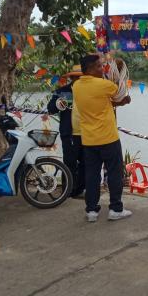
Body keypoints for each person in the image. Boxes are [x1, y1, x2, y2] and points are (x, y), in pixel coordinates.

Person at [73, 54, 132, 222]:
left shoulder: (76, 86)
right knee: (114, 173)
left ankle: (91, 211)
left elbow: (102, 102)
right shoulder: (104, 85)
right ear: (91, 69)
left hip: (89, 140)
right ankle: (115, 209)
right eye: (99, 67)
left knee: (91, 175)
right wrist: (125, 101)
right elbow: (120, 97)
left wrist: (115, 102)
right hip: (108, 138)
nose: (102, 69)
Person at [47, 65, 85, 198]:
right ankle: (67, 192)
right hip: (69, 133)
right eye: (76, 77)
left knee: (86, 163)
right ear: (72, 78)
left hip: (87, 133)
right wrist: (59, 102)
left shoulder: (90, 90)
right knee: (69, 162)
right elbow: (51, 109)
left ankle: (80, 190)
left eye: (81, 76)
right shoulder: (62, 91)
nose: (78, 79)